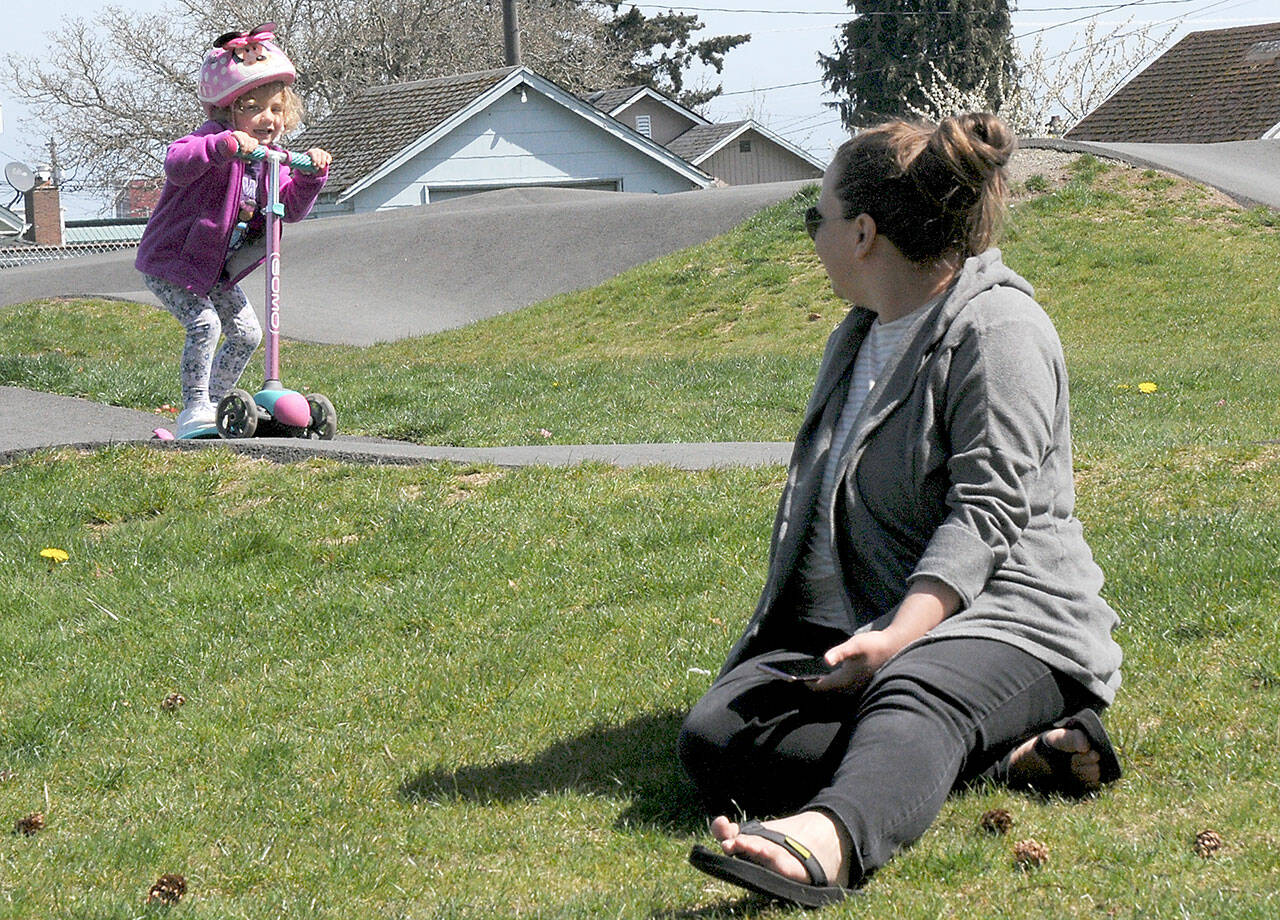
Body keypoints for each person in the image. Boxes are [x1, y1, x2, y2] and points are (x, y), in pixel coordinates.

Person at [679, 112, 1123, 909]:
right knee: (718, 736)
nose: (811, 234)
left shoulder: (1000, 329)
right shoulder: (858, 336)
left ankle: (827, 843)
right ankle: (1006, 754)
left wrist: (895, 637)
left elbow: (987, 512)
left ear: (862, 233)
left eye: (817, 217)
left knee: (913, 695)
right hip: (873, 619)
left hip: (1010, 620)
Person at [135, 23, 332, 437]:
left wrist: (310, 176)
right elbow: (177, 162)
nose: (268, 119)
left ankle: (217, 404)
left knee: (246, 333)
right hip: (173, 261)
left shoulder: (270, 158)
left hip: (218, 269)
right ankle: (194, 408)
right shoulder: (211, 138)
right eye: (254, 107)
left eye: (277, 110)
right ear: (228, 109)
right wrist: (221, 147)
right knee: (205, 323)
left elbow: (289, 211)